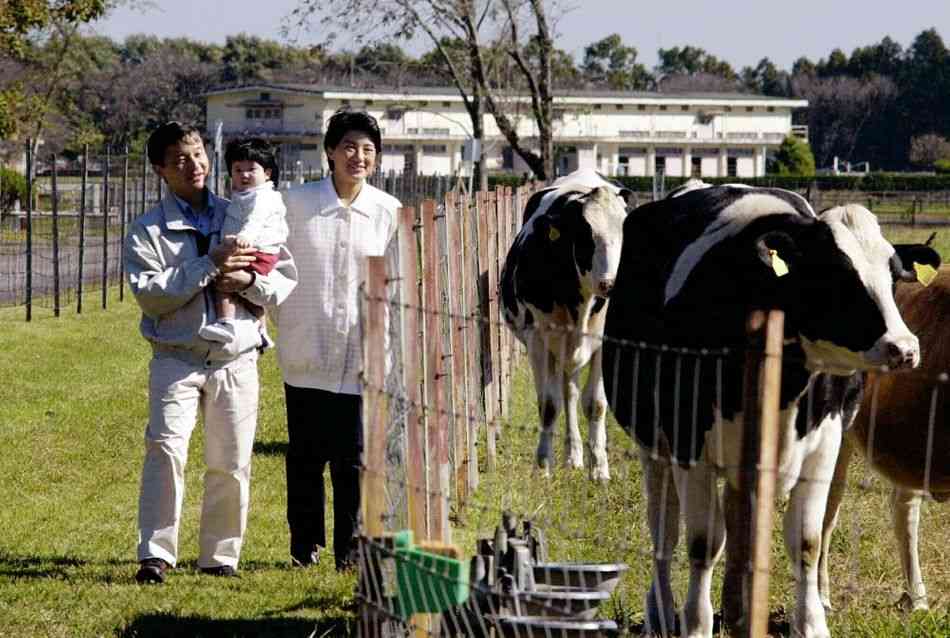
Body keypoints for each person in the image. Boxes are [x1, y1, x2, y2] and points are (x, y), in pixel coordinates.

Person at [125, 121, 297, 584]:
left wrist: (250, 282)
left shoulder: (245, 210)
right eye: (180, 158)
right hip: (176, 358)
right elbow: (153, 295)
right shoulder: (147, 231)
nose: (194, 164)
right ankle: (156, 554)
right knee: (165, 450)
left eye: (198, 153)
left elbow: (282, 279)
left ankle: (221, 557)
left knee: (232, 459)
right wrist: (208, 265)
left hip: (235, 358)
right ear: (161, 169)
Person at [276, 109, 399, 570]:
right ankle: (303, 544)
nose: (358, 157)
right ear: (329, 151)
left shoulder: (387, 211)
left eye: (368, 149)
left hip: (362, 353)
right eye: (349, 146)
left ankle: (350, 548)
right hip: (306, 346)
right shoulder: (296, 204)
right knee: (305, 455)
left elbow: (398, 280)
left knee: (354, 458)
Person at [199, 137, 288, 356]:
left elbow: (255, 219)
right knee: (244, 292)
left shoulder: (263, 197)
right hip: (254, 249)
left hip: (256, 250)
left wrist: (244, 237)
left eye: (251, 169)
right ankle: (262, 330)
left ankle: (225, 323)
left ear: (267, 173)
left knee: (222, 280)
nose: (244, 175)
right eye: (238, 170)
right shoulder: (244, 195)